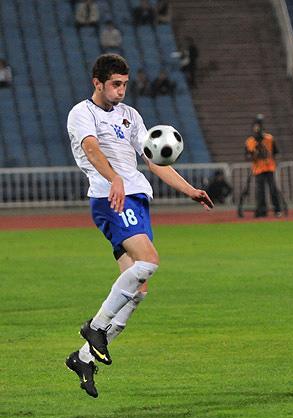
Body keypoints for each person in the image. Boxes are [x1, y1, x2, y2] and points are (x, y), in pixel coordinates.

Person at [65, 54, 214, 398]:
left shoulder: (130, 115)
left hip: (136, 199)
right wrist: (114, 178)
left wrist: (189, 190)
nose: (121, 91)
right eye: (115, 84)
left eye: (124, 85)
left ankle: (82, 358)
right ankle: (95, 327)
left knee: (138, 291)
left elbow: (153, 160)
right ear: (97, 83)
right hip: (111, 199)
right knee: (149, 261)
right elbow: (91, 149)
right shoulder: (81, 113)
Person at [244, 114, 282, 218]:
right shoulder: (250, 141)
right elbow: (247, 156)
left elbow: (275, 152)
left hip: (269, 167)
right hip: (258, 169)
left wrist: (273, 161)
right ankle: (261, 210)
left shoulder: (269, 138)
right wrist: (254, 154)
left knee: (273, 189)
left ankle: (277, 209)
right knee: (260, 192)